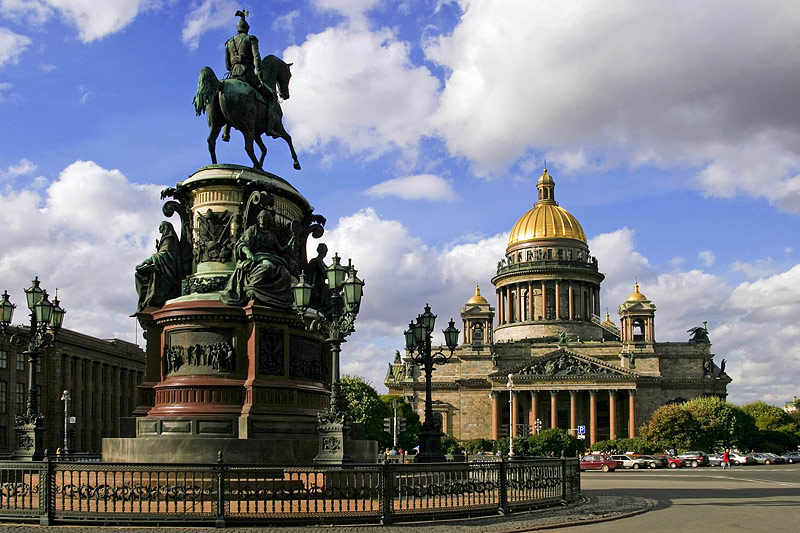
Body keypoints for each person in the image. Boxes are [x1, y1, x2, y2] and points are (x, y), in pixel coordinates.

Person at [220, 209, 294, 308]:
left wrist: (290, 244)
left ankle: (278, 298)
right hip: (256, 258)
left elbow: (279, 249)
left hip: (270, 257)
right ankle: (252, 289)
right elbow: (242, 243)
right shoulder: (253, 230)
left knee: (285, 273)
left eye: (265, 218)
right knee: (267, 266)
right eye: (261, 217)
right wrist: (248, 253)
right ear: (258, 219)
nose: (263, 219)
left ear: (268, 220)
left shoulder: (271, 234)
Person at [222, 10, 274, 142]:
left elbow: (227, 64)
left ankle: (226, 131)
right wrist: (260, 73)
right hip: (248, 73)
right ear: (247, 29)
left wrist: (234, 68)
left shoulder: (228, 43)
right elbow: (256, 57)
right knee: (270, 96)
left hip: (233, 74)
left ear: (237, 28)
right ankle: (270, 128)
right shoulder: (251, 39)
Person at [135, 221, 182, 311]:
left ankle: (151, 300)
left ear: (165, 227)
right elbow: (161, 255)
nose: (159, 229)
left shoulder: (169, 239)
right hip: (162, 266)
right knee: (139, 274)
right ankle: (143, 303)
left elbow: (164, 255)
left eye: (161, 227)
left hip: (168, 270)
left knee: (146, 274)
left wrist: (145, 262)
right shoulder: (165, 239)